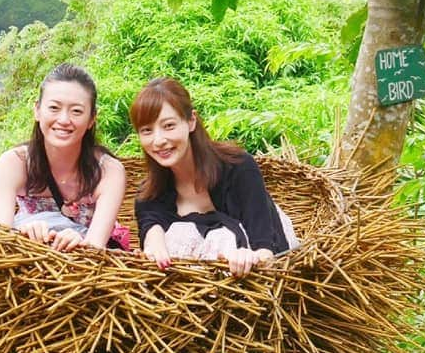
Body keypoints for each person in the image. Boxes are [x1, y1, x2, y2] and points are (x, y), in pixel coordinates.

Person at [128, 77, 299, 277]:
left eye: (168, 126)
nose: (158, 141)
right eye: (146, 131)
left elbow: (266, 250)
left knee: (222, 237)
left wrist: (248, 258)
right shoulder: (149, 193)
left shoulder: (238, 167)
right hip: (194, 294)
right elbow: (152, 233)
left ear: (191, 121)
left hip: (260, 275)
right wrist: (154, 247)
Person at [0, 63, 127, 251]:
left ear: (92, 119)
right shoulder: (13, 164)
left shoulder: (108, 171)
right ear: (37, 110)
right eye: (54, 108)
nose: (63, 120)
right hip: (26, 261)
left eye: (76, 111)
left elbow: (95, 247)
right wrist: (22, 234)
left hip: (88, 271)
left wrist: (78, 240)